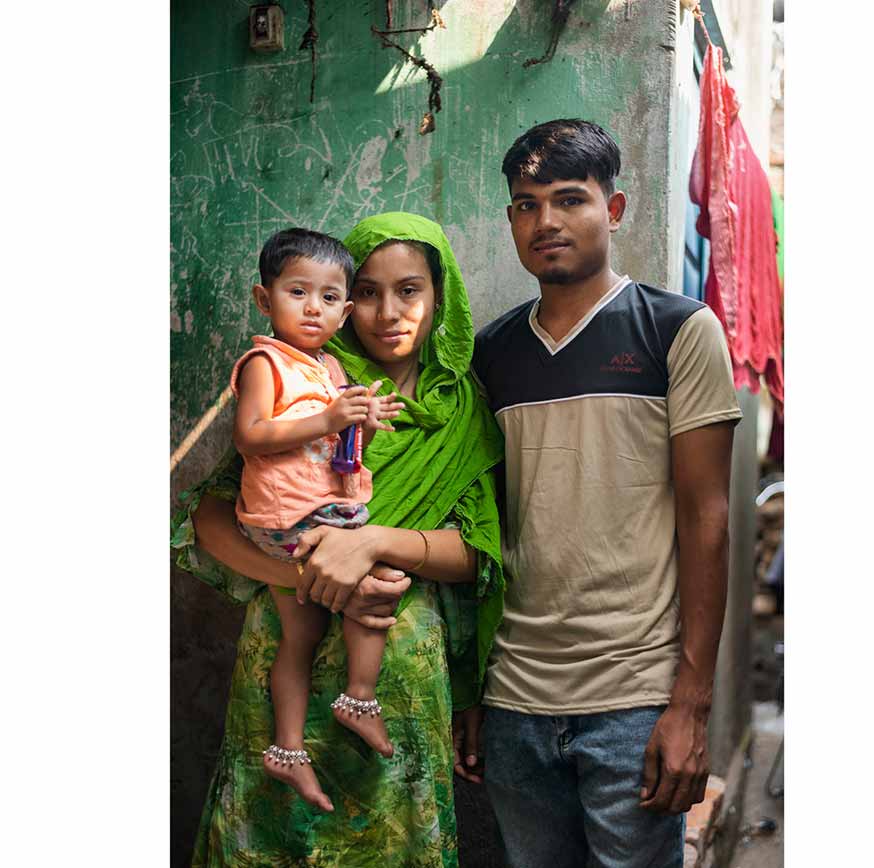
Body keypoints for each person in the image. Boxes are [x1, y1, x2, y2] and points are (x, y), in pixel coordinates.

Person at [171, 212, 504, 866]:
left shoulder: (464, 414)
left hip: (398, 694)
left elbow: (477, 553)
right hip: (286, 665)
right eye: (370, 292)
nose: (387, 312)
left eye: (409, 290)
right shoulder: (305, 379)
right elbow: (209, 519)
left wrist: (373, 543)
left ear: (441, 298)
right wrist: (308, 578)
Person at [456, 119, 742, 868]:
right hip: (514, 697)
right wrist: (472, 694)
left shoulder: (676, 331)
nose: (545, 221)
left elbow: (707, 520)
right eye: (525, 204)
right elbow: (482, 529)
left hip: (635, 699)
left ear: (612, 211)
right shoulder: (491, 354)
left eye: (568, 199)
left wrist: (690, 702)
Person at [230, 228, 407, 808]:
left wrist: (363, 417)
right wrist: (329, 419)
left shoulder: (328, 366)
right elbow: (252, 436)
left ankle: (287, 752)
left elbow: (336, 435)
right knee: (377, 592)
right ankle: (359, 697)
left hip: (315, 508)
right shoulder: (265, 362)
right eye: (298, 292)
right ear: (265, 299)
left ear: (345, 310)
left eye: (329, 298)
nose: (313, 308)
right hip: (288, 516)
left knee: (299, 639)